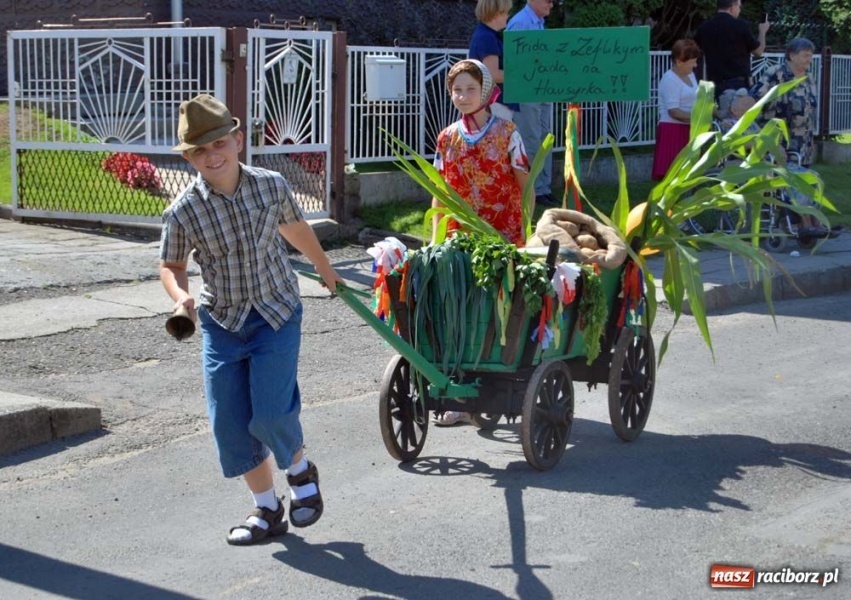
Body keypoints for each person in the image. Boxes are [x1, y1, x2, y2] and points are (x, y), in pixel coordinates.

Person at [159, 94, 343, 546]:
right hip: (222, 322)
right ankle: (266, 509)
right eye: (200, 150)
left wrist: (324, 267)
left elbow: (295, 228)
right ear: (188, 158)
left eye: (219, 143)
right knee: (229, 422)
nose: (212, 155)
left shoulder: (270, 185)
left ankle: (300, 473)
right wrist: (181, 296)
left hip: (275, 313)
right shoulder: (183, 210)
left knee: (271, 411)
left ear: (238, 140)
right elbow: (172, 264)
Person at [430, 59, 530, 425]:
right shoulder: (447, 138)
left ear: (486, 91)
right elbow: (439, 191)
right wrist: (436, 238)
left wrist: (525, 237)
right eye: (457, 90)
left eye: (471, 89)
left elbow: (526, 188)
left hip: (503, 239)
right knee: (459, 315)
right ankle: (462, 399)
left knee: (497, 315)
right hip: (459, 240)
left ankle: (500, 387)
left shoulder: (507, 133)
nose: (463, 96)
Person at [750, 37, 825, 233]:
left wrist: (811, 139)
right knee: (794, 179)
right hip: (779, 140)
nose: (810, 59)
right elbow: (755, 98)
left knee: (807, 178)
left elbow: (809, 109)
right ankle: (805, 223)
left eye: (811, 55)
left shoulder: (809, 77)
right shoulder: (776, 73)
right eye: (806, 55)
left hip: (803, 141)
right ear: (792, 55)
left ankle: (811, 221)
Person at [506, 0, 556, 206]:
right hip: (527, 91)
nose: (551, 5)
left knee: (545, 137)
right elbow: (513, 61)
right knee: (531, 139)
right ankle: (532, 189)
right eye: (548, 0)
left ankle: (543, 188)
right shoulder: (520, 23)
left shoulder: (538, 22)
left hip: (542, 88)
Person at [694, 0, 770, 98]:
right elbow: (758, 51)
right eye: (739, 6)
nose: (740, 10)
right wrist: (762, 31)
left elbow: (695, 49)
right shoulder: (740, 25)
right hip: (737, 84)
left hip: (713, 83)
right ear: (732, 7)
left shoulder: (705, 27)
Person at [651, 39, 701, 181]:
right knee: (672, 175)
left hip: (689, 129)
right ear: (679, 61)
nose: (695, 65)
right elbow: (674, 111)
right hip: (672, 131)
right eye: (692, 62)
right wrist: (698, 117)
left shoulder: (690, 74)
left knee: (688, 174)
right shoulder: (669, 79)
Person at [468, 0, 518, 122]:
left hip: (492, 103)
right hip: (494, 104)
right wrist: (520, 76)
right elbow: (492, 74)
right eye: (506, 12)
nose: (508, 16)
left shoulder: (486, 34)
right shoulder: (487, 37)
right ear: (496, 13)